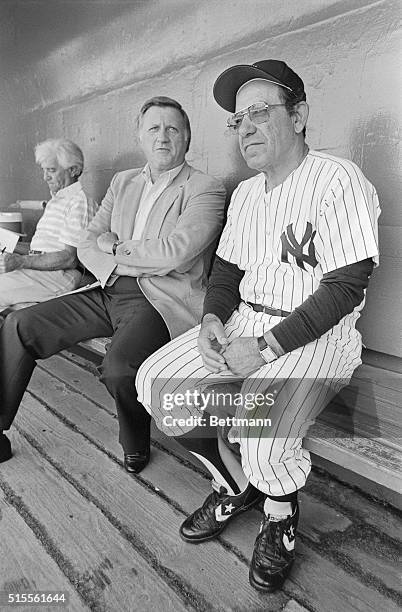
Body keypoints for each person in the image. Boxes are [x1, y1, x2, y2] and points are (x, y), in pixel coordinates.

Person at [136, 61, 380, 592]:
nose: (244, 126)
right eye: (237, 118)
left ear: (299, 116)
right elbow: (226, 272)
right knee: (156, 383)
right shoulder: (247, 194)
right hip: (245, 324)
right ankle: (238, 485)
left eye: (260, 112)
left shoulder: (337, 180)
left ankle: (279, 512)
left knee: (259, 423)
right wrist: (211, 320)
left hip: (316, 336)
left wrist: (264, 352)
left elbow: (345, 287)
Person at [0, 96, 226, 474]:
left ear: (187, 138)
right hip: (106, 287)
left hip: (157, 299)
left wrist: (116, 247)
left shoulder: (204, 188)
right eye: (153, 128)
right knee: (19, 325)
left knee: (119, 369)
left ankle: (135, 437)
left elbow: (176, 253)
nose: (163, 136)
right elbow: (89, 241)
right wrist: (116, 256)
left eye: (173, 128)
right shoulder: (124, 182)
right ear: (140, 136)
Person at [0, 138, 97, 310]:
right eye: (44, 171)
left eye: (51, 170)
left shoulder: (79, 202)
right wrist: (7, 247)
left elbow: (70, 258)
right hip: (41, 271)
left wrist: (20, 262)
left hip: (60, 274)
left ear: (74, 170)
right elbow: (41, 248)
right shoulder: (56, 201)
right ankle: (22, 307)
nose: (45, 177)